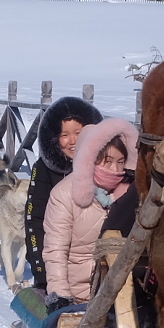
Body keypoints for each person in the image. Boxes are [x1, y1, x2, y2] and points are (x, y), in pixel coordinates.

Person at [42, 118, 140, 306]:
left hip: (121, 294)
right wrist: (61, 295)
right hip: (79, 294)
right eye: (108, 161)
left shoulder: (129, 195)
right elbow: (56, 251)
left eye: (121, 162)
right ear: (89, 160)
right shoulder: (64, 195)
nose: (115, 169)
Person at [23, 95, 100, 290]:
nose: (73, 141)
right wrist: (41, 269)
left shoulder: (105, 165)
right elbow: (34, 219)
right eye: (64, 135)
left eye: (79, 133)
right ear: (55, 138)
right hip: (56, 259)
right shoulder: (44, 168)